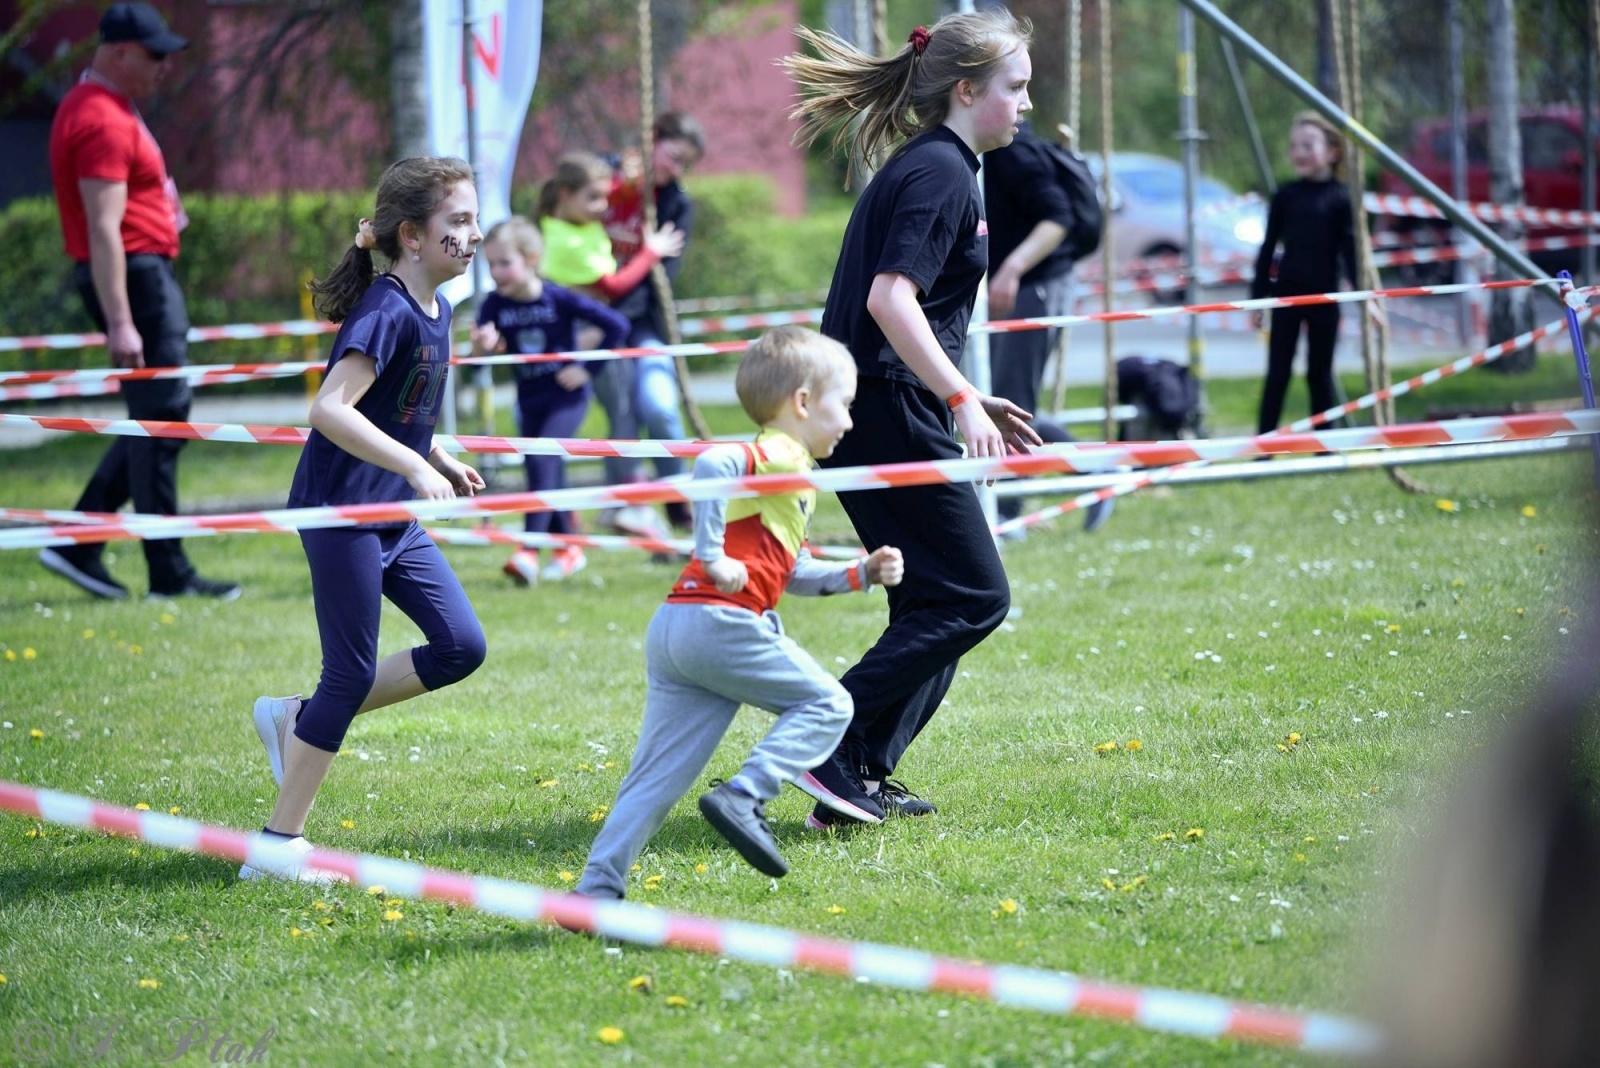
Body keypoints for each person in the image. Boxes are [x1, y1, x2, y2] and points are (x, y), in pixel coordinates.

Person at [779, 10, 1041, 826]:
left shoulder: (941, 165)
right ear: (967, 91)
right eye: (1016, 87)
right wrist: (958, 397)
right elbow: (889, 299)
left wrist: (962, 386)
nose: (1027, 103)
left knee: (935, 600)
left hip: (891, 402)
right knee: (972, 597)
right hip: (886, 408)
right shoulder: (939, 173)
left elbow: (911, 310)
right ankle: (825, 745)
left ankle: (852, 773)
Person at [576, 326, 905, 897]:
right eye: (844, 406)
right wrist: (709, 553)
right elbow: (713, 464)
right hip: (718, 623)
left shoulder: (789, 473)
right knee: (830, 705)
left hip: (678, 628)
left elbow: (791, 569)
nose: (850, 421)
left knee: (653, 781)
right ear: (802, 403)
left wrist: (859, 574)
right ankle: (745, 794)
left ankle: (596, 891)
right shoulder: (780, 453)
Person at [241, 157, 489, 882]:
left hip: (391, 514)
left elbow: (397, 407)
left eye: (475, 220)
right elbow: (330, 409)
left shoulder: (437, 309)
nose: (474, 236)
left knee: (460, 646)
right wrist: (414, 468)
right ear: (411, 236)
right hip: (343, 511)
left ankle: (295, 715)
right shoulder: (384, 308)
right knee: (348, 674)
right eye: (459, 223)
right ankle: (276, 851)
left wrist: (435, 455)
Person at [40, 2, 238, 601]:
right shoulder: (99, 117)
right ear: (120, 52)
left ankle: (79, 540)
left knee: (162, 416)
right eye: (156, 56)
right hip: (137, 278)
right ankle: (164, 574)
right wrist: (121, 320)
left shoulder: (111, 107)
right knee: (163, 415)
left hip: (147, 273)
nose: (165, 67)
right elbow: (104, 230)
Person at [537, 151, 686, 542]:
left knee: (622, 413)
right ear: (566, 195)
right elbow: (614, 286)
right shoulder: (566, 239)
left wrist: (632, 181)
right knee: (621, 412)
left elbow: (605, 191)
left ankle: (622, 504)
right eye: (594, 199)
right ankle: (626, 504)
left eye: (606, 197)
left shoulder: (571, 218)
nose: (604, 206)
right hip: (588, 331)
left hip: (590, 327)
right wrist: (650, 252)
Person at [472, 215, 629, 585]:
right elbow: (479, 362)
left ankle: (528, 549)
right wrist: (482, 348)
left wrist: (586, 369)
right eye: (490, 264)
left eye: (504, 263)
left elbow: (617, 327)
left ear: (530, 259)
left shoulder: (558, 297)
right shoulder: (492, 306)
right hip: (529, 399)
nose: (496, 272)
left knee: (542, 456)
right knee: (542, 468)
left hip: (567, 397)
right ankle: (568, 547)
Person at [983, 119, 1111, 532]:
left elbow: (1058, 217)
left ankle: (1008, 512)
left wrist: (1012, 269)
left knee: (1011, 403)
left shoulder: (1012, 150)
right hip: (1023, 288)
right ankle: (1095, 470)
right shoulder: (990, 149)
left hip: (1036, 287)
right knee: (1009, 400)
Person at [599, 112, 705, 534]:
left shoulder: (676, 203)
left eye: (684, 165)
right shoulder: (604, 179)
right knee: (622, 412)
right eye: (673, 157)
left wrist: (616, 312)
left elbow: (663, 278)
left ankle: (678, 501)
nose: (675, 170)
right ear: (653, 139)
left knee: (659, 405)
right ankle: (626, 507)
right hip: (594, 323)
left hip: (641, 321)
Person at [1249, 111, 1360, 435]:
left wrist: (1369, 299)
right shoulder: (1285, 196)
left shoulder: (1341, 198)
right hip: (1286, 296)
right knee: (1278, 372)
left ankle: (1323, 447)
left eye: (1308, 145)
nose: (1299, 152)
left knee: (1319, 374)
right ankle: (1264, 447)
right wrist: (1257, 299)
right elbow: (1267, 249)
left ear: (1332, 152)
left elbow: (1352, 251)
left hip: (1326, 296)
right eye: (1294, 146)